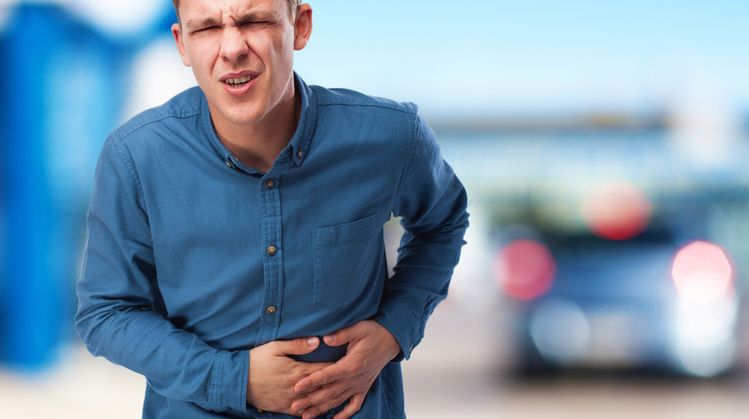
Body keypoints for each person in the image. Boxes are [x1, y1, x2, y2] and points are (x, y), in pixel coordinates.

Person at [75, 0, 469, 418]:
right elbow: (106, 312)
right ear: (183, 44)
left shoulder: (390, 138)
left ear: (299, 26)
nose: (232, 49)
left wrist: (395, 328)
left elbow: (443, 222)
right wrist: (233, 378)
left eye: (254, 20)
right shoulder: (135, 158)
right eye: (207, 28)